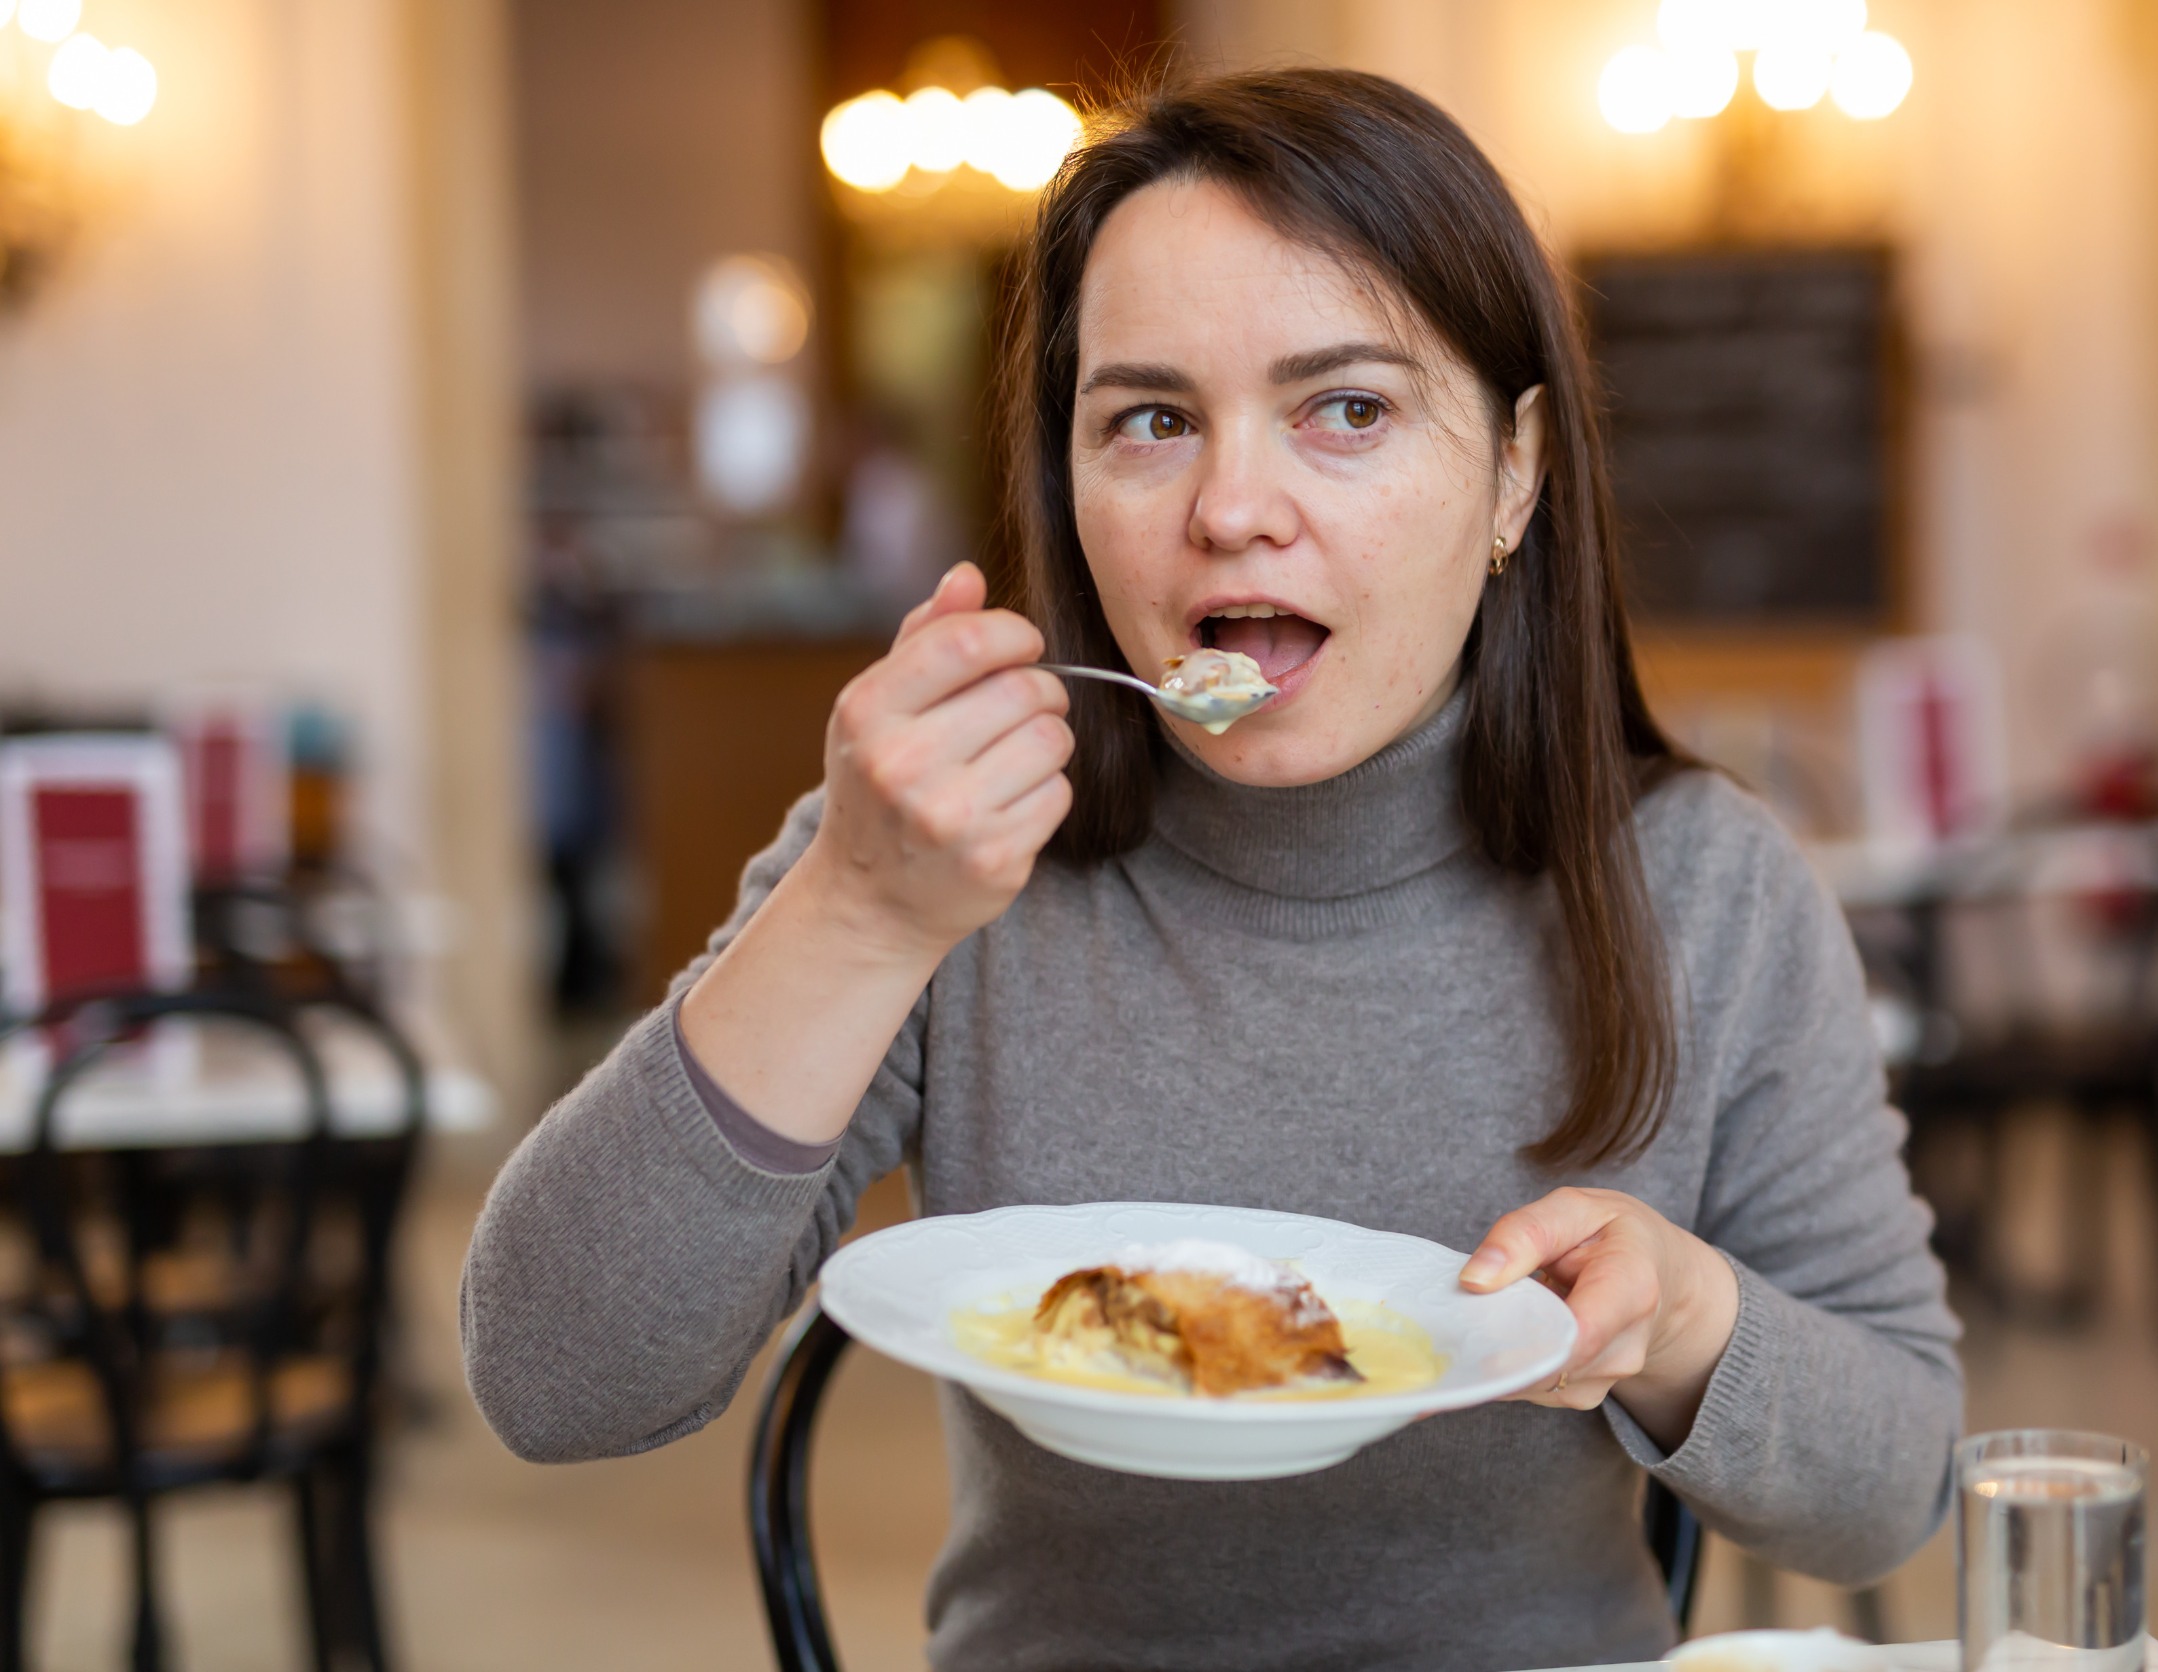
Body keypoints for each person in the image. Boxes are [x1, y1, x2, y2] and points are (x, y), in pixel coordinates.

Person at [462, 67, 1960, 1672]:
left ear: (1516, 473)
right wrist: (856, 910)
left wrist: (1682, 1326)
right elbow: (553, 1379)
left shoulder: (1707, 890)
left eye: (1349, 408)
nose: (1232, 510)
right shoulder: (942, 862)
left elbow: (1895, 1490)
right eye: (1152, 421)